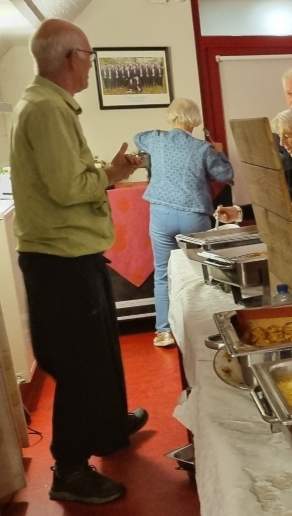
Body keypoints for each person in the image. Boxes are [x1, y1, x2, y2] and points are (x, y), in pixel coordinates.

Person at [9, 18, 148, 504]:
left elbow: (67, 175)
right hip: (60, 261)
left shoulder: (48, 104)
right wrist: (109, 175)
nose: (90, 65)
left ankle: (107, 427)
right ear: (71, 58)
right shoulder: (47, 109)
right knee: (79, 363)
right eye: (89, 55)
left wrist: (106, 171)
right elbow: (68, 188)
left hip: (72, 254)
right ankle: (69, 469)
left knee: (99, 351)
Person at [134, 98, 234, 347]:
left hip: (161, 214)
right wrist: (218, 152)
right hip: (193, 215)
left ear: (172, 117)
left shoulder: (156, 139)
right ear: (194, 120)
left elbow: (138, 137)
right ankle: (202, 328)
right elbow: (226, 174)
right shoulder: (203, 149)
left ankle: (164, 331)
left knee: (162, 273)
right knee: (202, 272)